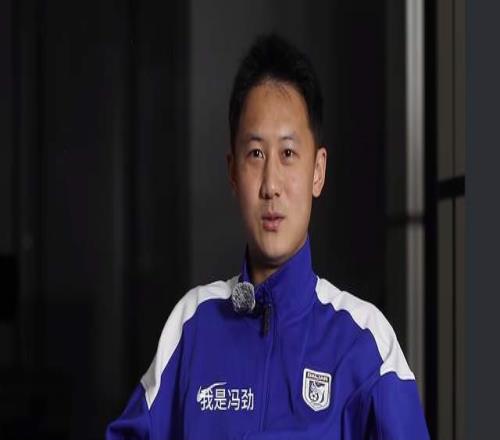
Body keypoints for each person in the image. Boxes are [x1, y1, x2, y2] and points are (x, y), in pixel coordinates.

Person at [106, 34, 430, 439]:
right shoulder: (192, 325)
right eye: (255, 154)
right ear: (232, 172)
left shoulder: (365, 341)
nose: (271, 185)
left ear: (318, 171)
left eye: (288, 154)